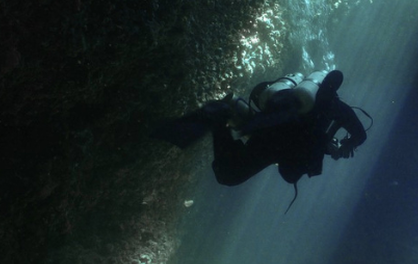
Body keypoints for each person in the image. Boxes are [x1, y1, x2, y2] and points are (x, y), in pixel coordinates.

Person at [151, 70, 367, 188]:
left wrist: (342, 144)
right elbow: (360, 133)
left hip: (272, 134)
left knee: (229, 175)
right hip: (278, 136)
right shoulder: (333, 107)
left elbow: (358, 135)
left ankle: (222, 114)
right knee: (230, 174)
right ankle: (222, 116)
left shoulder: (325, 115)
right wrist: (348, 143)